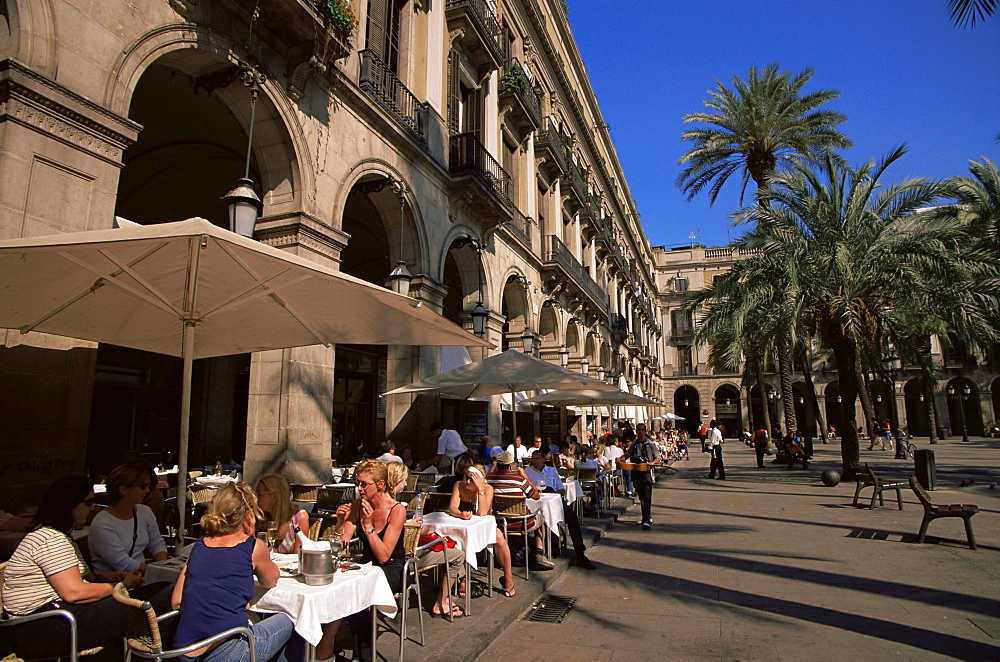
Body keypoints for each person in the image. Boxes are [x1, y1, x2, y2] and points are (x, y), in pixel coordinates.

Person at [1, 475, 144, 660]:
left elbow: (73, 576)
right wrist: (121, 586)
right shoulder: (50, 539)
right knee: (145, 605)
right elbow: (74, 592)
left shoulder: (58, 535)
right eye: (89, 502)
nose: (93, 507)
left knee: (144, 601)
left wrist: (110, 576)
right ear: (69, 505)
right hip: (43, 628)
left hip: (53, 619)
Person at [171, 481, 298, 662]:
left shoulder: (199, 545)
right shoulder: (252, 546)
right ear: (248, 515)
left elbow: (176, 602)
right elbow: (271, 580)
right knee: (292, 619)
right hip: (227, 650)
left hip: (185, 651)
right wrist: (252, 536)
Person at [447, 458, 516, 597]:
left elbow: (483, 512)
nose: (467, 482)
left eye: (472, 479)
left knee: (499, 537)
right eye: (467, 478)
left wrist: (480, 489)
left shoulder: (487, 489)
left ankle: (508, 578)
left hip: (483, 525)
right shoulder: (458, 485)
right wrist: (461, 514)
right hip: (462, 523)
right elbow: (452, 507)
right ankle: (463, 578)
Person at [89, 463, 169, 576]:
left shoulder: (144, 512)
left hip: (142, 575)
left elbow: (157, 543)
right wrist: (158, 571)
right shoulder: (102, 524)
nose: (147, 491)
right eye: (143, 486)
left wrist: (162, 566)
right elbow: (122, 563)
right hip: (119, 583)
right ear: (123, 489)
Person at [523, 450, 596, 569]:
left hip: (553, 500)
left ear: (543, 459)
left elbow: (561, 489)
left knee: (572, 518)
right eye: (533, 459)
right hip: (536, 503)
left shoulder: (551, 471)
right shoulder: (527, 472)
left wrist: (553, 493)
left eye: (537, 458)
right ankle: (540, 552)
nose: (534, 461)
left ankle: (580, 553)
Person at [486, 451, 554, 571]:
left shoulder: (488, 479)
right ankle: (539, 552)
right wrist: (525, 477)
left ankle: (516, 552)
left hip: (499, 522)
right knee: (543, 518)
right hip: (521, 522)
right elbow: (536, 496)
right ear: (511, 465)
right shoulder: (518, 479)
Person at [255, 474, 310, 554]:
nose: (256, 499)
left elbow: (299, 556)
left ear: (274, 496)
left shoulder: (298, 518)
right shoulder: (260, 518)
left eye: (260, 495)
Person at [629, 424, 661, 529]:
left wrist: (652, 464)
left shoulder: (650, 444)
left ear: (645, 431)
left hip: (647, 473)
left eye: (642, 430)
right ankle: (645, 517)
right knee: (641, 496)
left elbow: (657, 457)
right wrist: (621, 458)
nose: (640, 432)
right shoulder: (634, 445)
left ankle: (647, 520)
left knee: (647, 497)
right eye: (638, 430)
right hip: (637, 473)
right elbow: (628, 454)